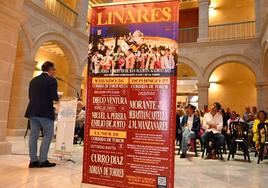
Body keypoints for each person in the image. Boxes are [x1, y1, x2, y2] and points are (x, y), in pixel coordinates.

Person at [25, 61, 59, 168]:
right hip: (45, 112)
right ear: (49, 69)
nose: (54, 71)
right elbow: (55, 97)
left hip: (33, 111)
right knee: (48, 135)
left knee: (33, 136)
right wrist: (58, 97)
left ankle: (33, 161)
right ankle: (43, 160)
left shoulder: (33, 80)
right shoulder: (52, 80)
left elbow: (30, 96)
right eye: (54, 69)